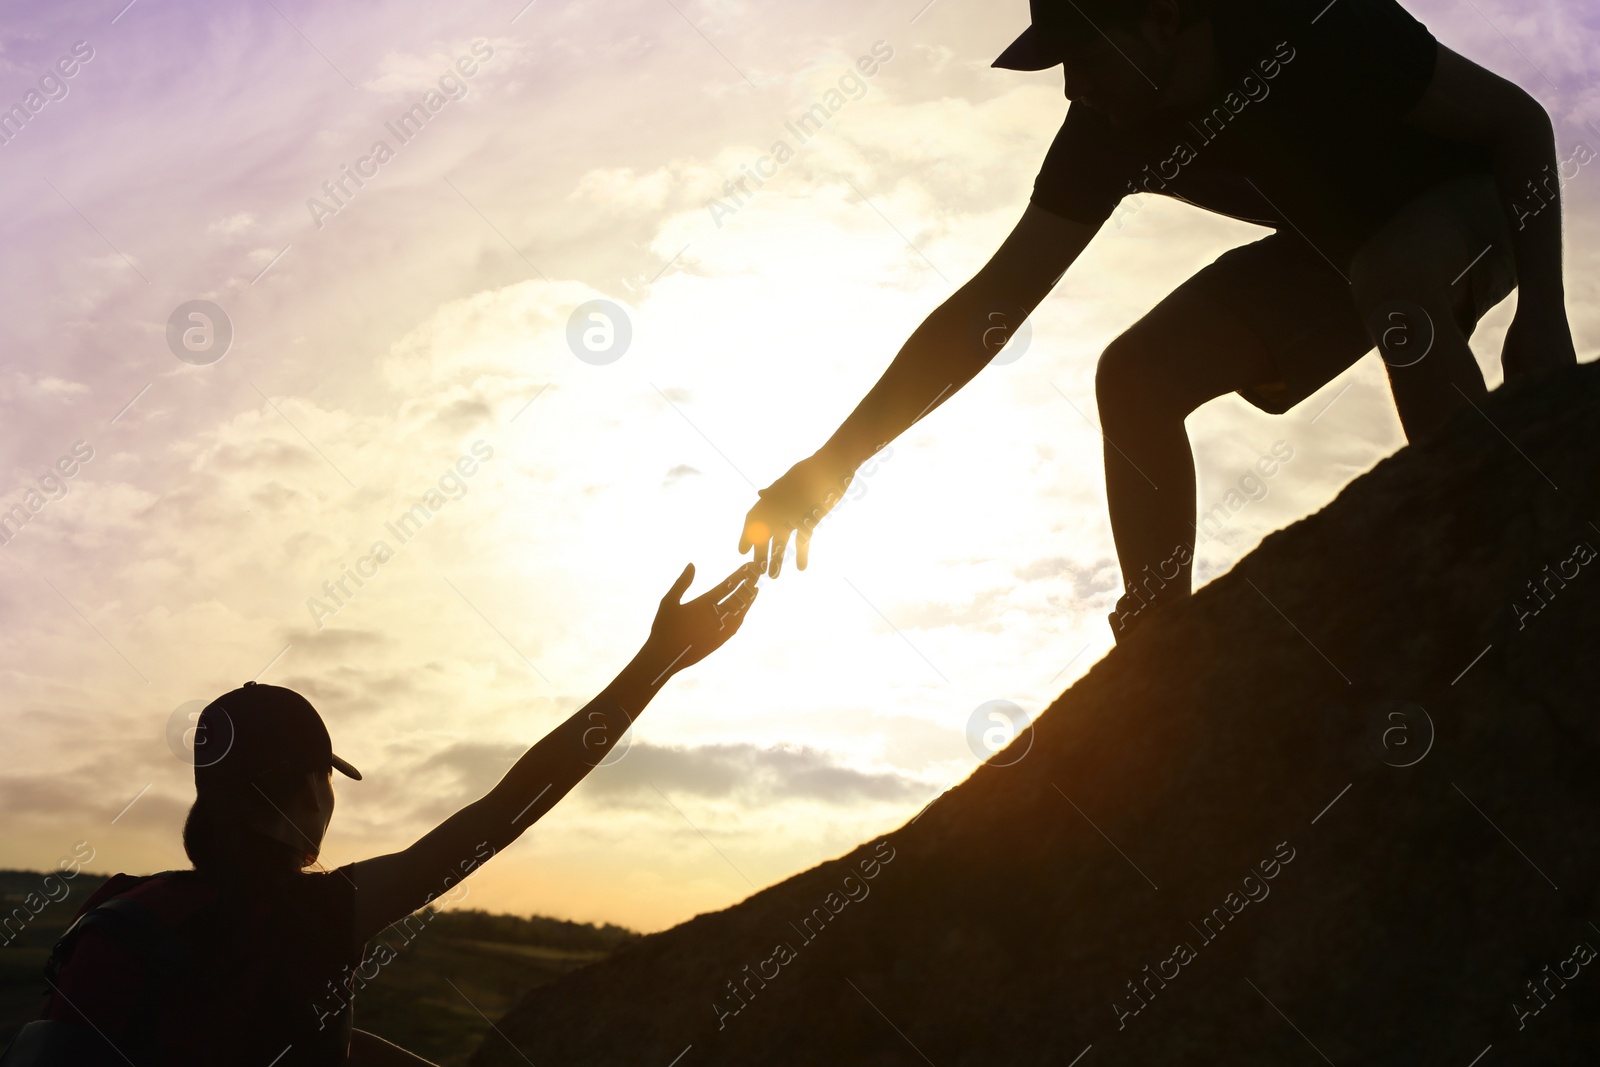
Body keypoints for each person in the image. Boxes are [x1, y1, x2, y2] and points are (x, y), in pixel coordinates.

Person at [737, 0, 1576, 642]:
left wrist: (1544, 311)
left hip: (1481, 201)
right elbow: (990, 306)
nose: (1074, 86)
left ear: (1163, 16)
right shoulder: (1106, 129)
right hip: (1339, 253)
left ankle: (1497, 548)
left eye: (1086, 52)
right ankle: (1163, 656)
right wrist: (833, 464)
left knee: (1394, 275)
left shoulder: (1308, 24)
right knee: (1135, 376)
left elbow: (1519, 125)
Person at [2, 560, 761, 1066]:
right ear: (305, 790)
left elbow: (270, 1029)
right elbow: (508, 809)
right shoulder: (314, 914)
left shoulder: (133, 907)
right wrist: (658, 659)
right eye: (326, 782)